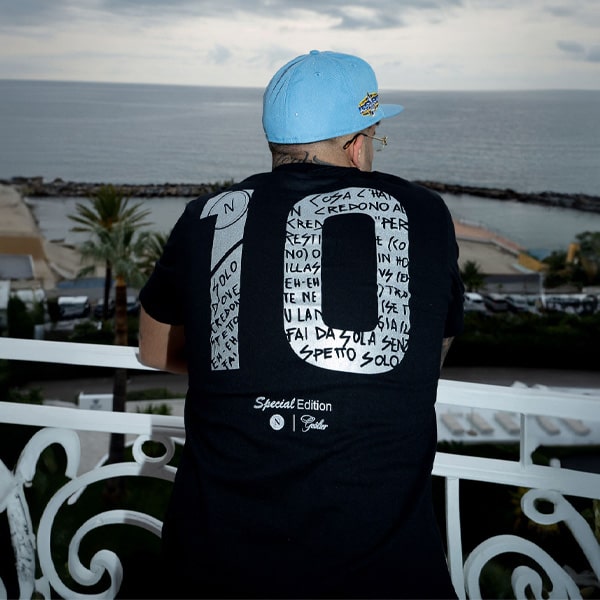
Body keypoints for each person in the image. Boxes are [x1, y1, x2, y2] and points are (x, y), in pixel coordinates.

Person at [138, 49, 463, 599]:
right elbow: (429, 354)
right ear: (357, 145)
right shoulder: (426, 213)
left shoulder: (206, 216)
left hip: (214, 566)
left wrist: (254, 363)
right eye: (376, 138)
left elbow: (153, 349)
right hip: (382, 570)